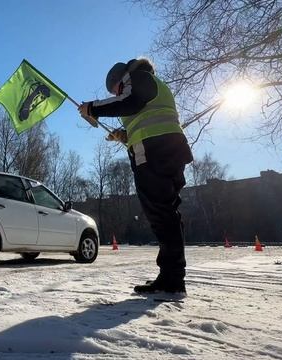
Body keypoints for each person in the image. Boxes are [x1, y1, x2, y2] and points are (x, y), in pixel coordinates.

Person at [78, 58, 193, 294]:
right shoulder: (154, 83)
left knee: (161, 214)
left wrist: (93, 108)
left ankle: (172, 278)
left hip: (153, 152)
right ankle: (172, 276)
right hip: (168, 149)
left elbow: (129, 102)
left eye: (116, 90)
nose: (118, 93)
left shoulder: (138, 78)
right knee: (167, 212)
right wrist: (124, 135)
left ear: (121, 79)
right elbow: (144, 115)